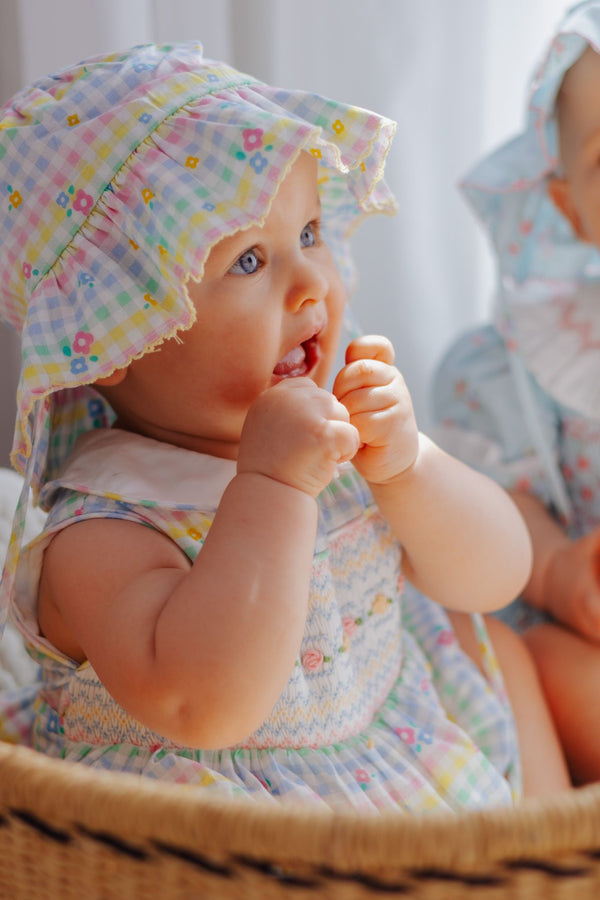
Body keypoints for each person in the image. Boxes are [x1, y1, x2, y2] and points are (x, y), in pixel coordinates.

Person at [0, 42, 568, 812]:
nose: (310, 285)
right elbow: (202, 704)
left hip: (390, 754)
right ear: (115, 339)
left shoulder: (337, 438)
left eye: (308, 234)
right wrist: (272, 487)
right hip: (236, 828)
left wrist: (409, 468)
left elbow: (495, 577)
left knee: (496, 649)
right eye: (247, 261)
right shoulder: (103, 529)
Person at [433, 0, 600, 785]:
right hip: (584, 627)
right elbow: (506, 503)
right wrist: (561, 572)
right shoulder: (537, 356)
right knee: (534, 662)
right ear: (570, 208)